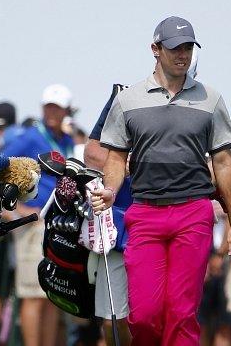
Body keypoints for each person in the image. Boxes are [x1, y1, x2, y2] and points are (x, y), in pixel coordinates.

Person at [91, 16, 231, 346]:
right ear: (155, 49)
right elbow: (116, 158)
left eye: (188, 48)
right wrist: (110, 190)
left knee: (181, 313)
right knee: (144, 315)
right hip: (145, 214)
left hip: (193, 213)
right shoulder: (128, 100)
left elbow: (223, 161)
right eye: (175, 48)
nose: (183, 55)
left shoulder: (211, 100)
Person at [1, 83, 75, 346]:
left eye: (58, 107)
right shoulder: (31, 137)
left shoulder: (66, 140)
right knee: (33, 294)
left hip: (58, 224)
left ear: (67, 110)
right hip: (35, 223)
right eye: (49, 107)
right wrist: (16, 210)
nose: (53, 112)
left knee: (52, 295)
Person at [83, 84, 132, 346]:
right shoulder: (122, 94)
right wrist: (148, 163)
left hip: (173, 224)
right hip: (119, 228)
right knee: (114, 316)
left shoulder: (197, 102)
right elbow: (92, 154)